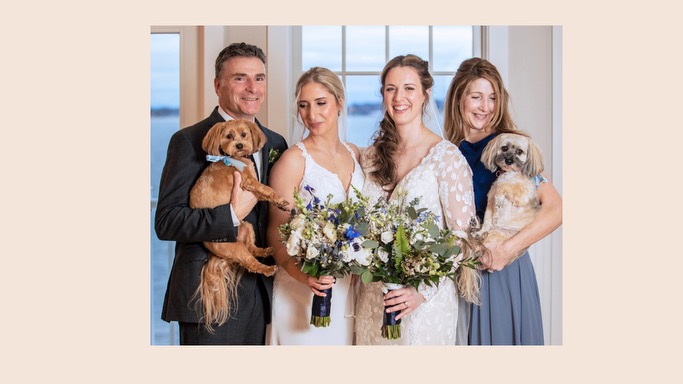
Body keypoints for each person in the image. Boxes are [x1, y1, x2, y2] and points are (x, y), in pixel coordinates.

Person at [154, 42, 288, 345]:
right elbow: (167, 222)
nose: (252, 88)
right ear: (218, 85)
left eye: (260, 78)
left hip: (263, 292)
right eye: (240, 78)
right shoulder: (188, 140)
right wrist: (231, 215)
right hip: (210, 294)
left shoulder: (275, 142)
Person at [354, 54, 478, 345]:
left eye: (409, 88)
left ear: (425, 94)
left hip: (424, 303)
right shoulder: (370, 157)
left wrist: (420, 290)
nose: (399, 97)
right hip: (374, 298)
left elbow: (462, 237)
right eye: (390, 88)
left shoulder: (446, 157)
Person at [443, 57, 563, 345]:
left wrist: (507, 250)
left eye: (493, 98)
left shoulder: (509, 149)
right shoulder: (448, 150)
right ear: (459, 98)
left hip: (503, 270)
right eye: (476, 97)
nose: (485, 107)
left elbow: (556, 209)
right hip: (462, 272)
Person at [265, 67, 364, 345]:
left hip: (348, 293)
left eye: (321, 103)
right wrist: (304, 275)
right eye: (304, 106)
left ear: (339, 102)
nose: (312, 114)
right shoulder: (293, 160)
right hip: (300, 292)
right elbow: (275, 232)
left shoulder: (355, 154)